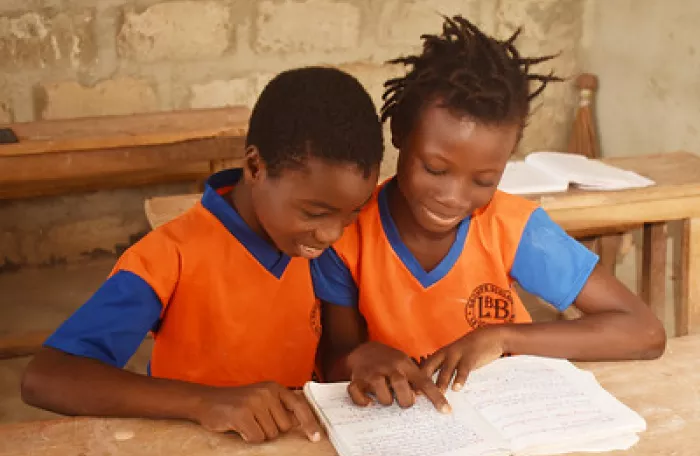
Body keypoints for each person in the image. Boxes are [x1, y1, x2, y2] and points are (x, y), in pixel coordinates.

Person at [312, 16, 666, 412]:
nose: (452, 197)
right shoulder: (348, 239)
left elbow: (645, 332)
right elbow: (334, 358)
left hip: (508, 419)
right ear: (399, 133)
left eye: (483, 180)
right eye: (435, 169)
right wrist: (362, 358)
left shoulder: (513, 228)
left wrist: (502, 338)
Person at [21, 66, 384, 443]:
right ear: (255, 167)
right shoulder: (172, 255)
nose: (332, 233)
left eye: (354, 211)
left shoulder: (324, 245)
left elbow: (330, 355)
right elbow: (47, 377)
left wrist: (361, 361)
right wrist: (204, 402)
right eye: (314, 212)